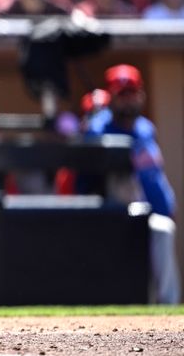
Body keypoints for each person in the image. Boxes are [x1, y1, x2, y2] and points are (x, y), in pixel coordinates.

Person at [85, 65, 180, 304]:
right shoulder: (98, 129)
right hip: (108, 211)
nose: (128, 100)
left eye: (132, 93)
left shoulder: (146, 130)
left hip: (142, 211)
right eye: (122, 94)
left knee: (164, 229)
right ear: (112, 97)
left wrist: (166, 207)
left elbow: (154, 179)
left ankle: (168, 307)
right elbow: (85, 183)